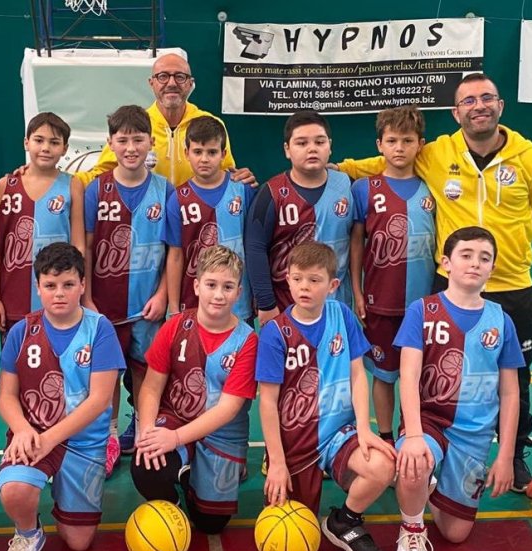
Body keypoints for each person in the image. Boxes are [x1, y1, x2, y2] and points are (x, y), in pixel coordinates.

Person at [338, 73, 532, 492]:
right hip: (450, 287)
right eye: (469, 101)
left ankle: (513, 454)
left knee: (515, 376)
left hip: (511, 284)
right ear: (456, 113)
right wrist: (335, 168)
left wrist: (514, 241)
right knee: (440, 371)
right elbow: (382, 161)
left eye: (487, 98)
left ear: (500, 105)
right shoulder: (437, 153)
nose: (479, 106)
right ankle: (432, 444)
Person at [256, 241, 398, 551]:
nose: (304, 287)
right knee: (291, 533)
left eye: (314, 280)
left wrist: (364, 428)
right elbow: (267, 402)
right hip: (297, 441)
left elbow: (358, 374)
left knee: (383, 465)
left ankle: (344, 521)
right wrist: (276, 461)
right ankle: (296, 481)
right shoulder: (275, 333)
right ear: (287, 281)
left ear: (333, 285)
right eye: (297, 279)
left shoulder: (341, 315)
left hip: (338, 433)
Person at [392, 227, 524, 551]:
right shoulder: (422, 310)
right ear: (446, 262)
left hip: (474, 434)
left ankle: (431, 486)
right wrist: (414, 434)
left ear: (492, 268)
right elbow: (408, 377)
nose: (475, 263)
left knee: (455, 533)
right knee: (415, 461)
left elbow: (510, 392)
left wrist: (506, 455)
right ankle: (412, 530)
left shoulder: (501, 320)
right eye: (466, 255)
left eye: (484, 258)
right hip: (429, 421)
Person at [0, 243, 124, 551]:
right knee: (15, 490)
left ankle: (63, 497)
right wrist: (23, 429)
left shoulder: (100, 329)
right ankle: (28, 533)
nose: (59, 293)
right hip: (35, 433)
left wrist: (50, 440)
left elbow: (99, 400)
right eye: (50, 285)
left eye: (68, 284)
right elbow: (6, 397)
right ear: (38, 287)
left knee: (78, 542)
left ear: (82, 285)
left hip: (83, 442)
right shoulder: (22, 331)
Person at [131, 245, 258, 534]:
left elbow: (228, 409)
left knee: (211, 524)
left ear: (239, 292)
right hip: (176, 418)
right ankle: (172, 512)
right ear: (197, 286)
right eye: (211, 285)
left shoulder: (248, 342)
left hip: (221, 435)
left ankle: (192, 476)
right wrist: (148, 431)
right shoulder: (175, 326)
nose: (218, 295)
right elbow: (151, 387)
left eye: (227, 287)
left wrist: (175, 439)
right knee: (147, 463)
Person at [83, 105, 174, 472]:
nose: (131, 148)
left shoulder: (165, 190)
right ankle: (107, 435)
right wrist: (86, 297)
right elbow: (87, 248)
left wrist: (163, 294)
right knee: (105, 377)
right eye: (123, 140)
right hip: (104, 306)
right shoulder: (96, 189)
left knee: (144, 373)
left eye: (138, 139)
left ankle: (142, 428)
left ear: (151, 142)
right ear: (110, 143)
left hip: (146, 306)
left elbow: (172, 251)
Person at [349, 106, 436, 442]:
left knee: (419, 376)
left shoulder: (432, 188)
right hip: (380, 301)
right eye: (392, 140)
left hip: (423, 305)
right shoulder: (364, 189)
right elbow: (357, 243)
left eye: (407, 140)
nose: (399, 148)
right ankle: (385, 436)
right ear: (380, 145)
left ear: (420, 144)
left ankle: (413, 435)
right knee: (383, 375)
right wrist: (358, 291)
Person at [245, 111, 357, 328]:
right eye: (302, 143)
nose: (312, 148)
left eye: (319, 142)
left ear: (330, 146)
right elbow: (255, 248)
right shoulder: (271, 193)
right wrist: (266, 303)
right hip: (285, 307)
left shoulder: (349, 186)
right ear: (287, 149)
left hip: (335, 306)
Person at [76, 53, 254, 188]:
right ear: (151, 83)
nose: (171, 83)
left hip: (193, 219)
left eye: (180, 77)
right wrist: (65, 181)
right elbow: (102, 173)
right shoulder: (136, 125)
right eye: (163, 76)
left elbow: (226, 173)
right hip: (148, 218)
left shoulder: (210, 123)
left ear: (190, 83)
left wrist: (240, 178)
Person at [0, 112, 85, 340]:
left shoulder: (72, 185)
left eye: (54, 142)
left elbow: (78, 245)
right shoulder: (5, 186)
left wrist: (78, 292)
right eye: (39, 140)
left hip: (59, 300)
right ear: (26, 142)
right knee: (16, 359)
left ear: (64, 148)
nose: (45, 148)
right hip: (13, 299)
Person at [163, 116, 255, 322]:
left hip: (238, 303)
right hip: (194, 303)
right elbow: (175, 256)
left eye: (212, 152)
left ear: (223, 154)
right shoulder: (177, 199)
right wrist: (174, 308)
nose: (204, 159)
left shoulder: (243, 190)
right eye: (198, 152)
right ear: (186, 153)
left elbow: (256, 247)